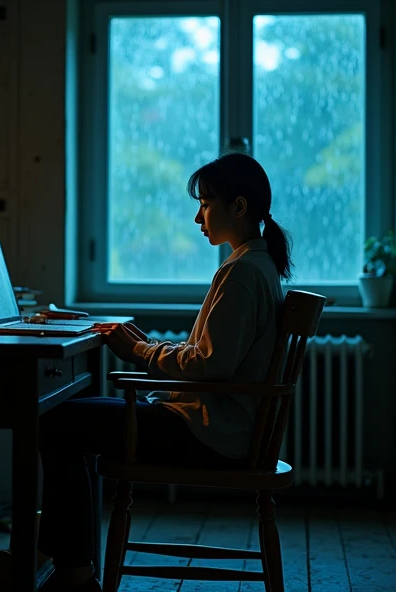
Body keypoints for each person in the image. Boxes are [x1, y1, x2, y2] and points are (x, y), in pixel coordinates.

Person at [38, 152, 293, 592]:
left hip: (209, 434)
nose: (198, 217)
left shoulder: (242, 273)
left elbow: (210, 365)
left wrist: (139, 350)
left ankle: (69, 571)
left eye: (206, 204)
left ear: (239, 207)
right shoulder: (258, 266)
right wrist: (150, 346)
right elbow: (209, 354)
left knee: (59, 421)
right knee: (71, 416)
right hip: (224, 428)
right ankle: (66, 562)